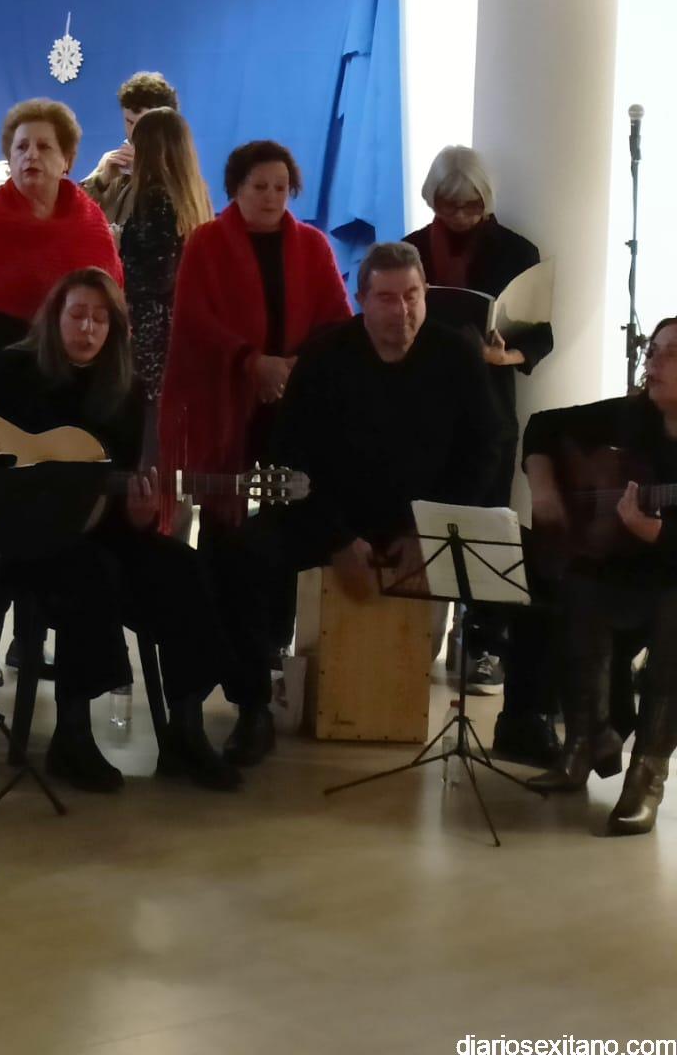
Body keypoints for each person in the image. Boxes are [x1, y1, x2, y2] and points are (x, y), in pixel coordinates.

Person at [0, 269, 240, 792]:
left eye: (100, 319)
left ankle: (186, 733)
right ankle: (72, 735)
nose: (87, 328)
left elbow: (118, 497)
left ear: (114, 329)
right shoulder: (14, 369)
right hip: (16, 538)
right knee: (91, 571)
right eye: (77, 315)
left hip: (95, 526)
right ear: (54, 319)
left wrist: (140, 514)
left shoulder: (124, 390)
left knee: (181, 567)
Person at [213, 242, 511, 767]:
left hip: (424, 521)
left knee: (532, 568)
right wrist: (336, 540)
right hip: (331, 516)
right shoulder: (325, 355)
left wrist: (428, 529)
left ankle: (526, 718)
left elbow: (487, 446)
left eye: (413, 296)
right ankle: (253, 707)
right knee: (239, 556)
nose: (403, 311)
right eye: (387, 298)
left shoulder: (457, 353)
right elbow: (290, 458)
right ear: (361, 300)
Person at [157, 139, 351, 740]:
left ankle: (264, 674)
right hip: (227, 410)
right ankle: (227, 671)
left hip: (291, 412)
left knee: (280, 541)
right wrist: (250, 362)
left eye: (280, 187)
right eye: (258, 186)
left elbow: (335, 321)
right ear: (236, 188)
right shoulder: (207, 243)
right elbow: (195, 321)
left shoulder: (312, 245)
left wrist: (292, 368)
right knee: (227, 540)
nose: (270, 197)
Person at [404, 145, 557, 761]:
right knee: (424, 514)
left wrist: (505, 354)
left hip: (489, 405)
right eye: (448, 204)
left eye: (470, 205)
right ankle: (416, 636)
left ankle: (484, 642)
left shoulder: (517, 251)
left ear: (486, 200)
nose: (460, 215)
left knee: (487, 519)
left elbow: (539, 334)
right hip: (424, 403)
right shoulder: (412, 248)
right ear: (432, 198)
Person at [523, 316, 677, 835]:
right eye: (653, 350)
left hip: (672, 578)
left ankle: (647, 775)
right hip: (623, 569)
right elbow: (542, 425)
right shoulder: (633, 415)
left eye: (671, 354)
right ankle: (585, 742)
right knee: (579, 587)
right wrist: (544, 489)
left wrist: (654, 532)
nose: (653, 362)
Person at [0, 98, 121, 382]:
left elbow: (112, 308)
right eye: (21, 147)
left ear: (67, 160)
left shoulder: (90, 222)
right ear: (10, 159)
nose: (31, 155)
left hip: (75, 383)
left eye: (44, 147)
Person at [117, 108, 212, 405]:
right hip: (180, 329)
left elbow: (157, 276)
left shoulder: (155, 199)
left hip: (150, 334)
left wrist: (118, 247)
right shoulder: (195, 198)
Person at [80, 71, 181, 230]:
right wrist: (101, 181)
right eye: (129, 122)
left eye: (143, 124)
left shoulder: (180, 170)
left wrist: (147, 175)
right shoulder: (110, 161)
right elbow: (73, 210)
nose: (134, 132)